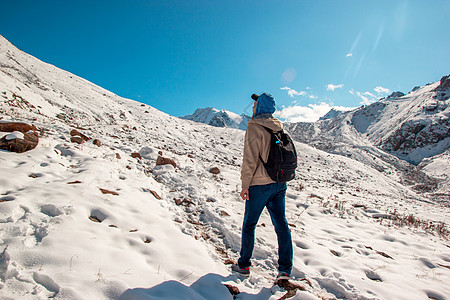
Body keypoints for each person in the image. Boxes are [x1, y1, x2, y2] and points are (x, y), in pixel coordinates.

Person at [232, 93, 293, 280]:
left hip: (259, 185)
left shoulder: (254, 127)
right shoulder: (278, 127)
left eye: (255, 104)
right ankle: (284, 270)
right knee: (281, 225)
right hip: (279, 184)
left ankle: (244, 265)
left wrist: (245, 185)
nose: (252, 107)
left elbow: (249, 159)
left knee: (249, 225)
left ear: (259, 107)